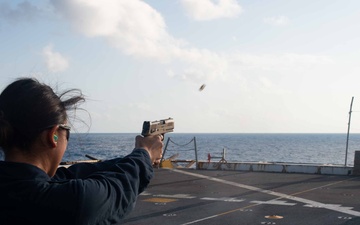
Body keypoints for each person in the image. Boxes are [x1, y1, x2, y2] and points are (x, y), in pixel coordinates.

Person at [0, 77, 164, 225]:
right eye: (67, 132)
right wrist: (145, 152)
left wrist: (134, 157)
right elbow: (117, 188)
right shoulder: (73, 202)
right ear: (53, 136)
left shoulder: (13, 187)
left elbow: (68, 175)